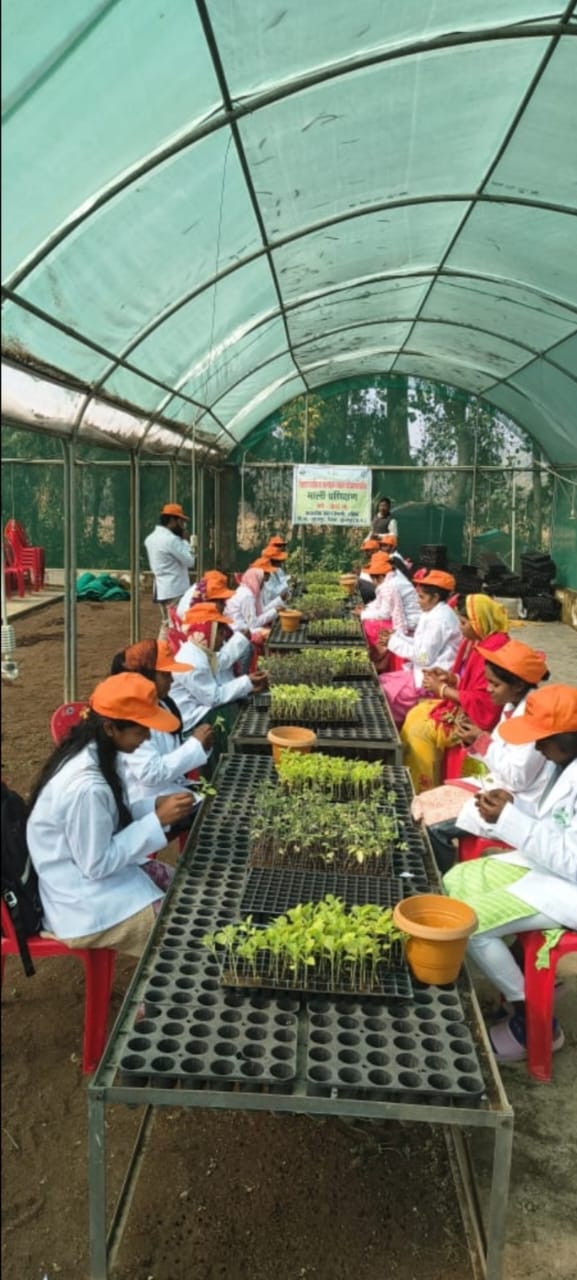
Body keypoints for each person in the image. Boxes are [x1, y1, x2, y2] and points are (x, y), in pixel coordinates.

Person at [443, 684, 577, 1063]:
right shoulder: (562, 764)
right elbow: (554, 823)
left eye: (542, 740)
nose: (536, 748)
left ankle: (534, 1019)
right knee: (456, 880)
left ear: (567, 738)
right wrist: (513, 807)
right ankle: (519, 978)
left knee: (470, 923)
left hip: (568, 886)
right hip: (549, 866)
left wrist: (510, 820)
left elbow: (571, 859)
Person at [26, 674, 195, 957]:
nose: (147, 737)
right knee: (183, 932)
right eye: (140, 730)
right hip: (81, 904)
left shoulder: (100, 753)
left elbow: (110, 816)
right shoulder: (86, 788)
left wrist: (153, 806)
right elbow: (97, 863)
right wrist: (157, 821)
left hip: (96, 879)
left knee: (184, 888)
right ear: (110, 727)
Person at [412, 640, 551, 871]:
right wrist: (474, 742)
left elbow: (518, 778)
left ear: (517, 686)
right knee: (421, 802)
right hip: (498, 786)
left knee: (433, 827)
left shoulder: (532, 719)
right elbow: (498, 755)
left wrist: (482, 742)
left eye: (495, 684)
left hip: (516, 801)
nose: (488, 689)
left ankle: (439, 877)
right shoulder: (511, 707)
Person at [400, 594, 510, 790]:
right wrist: (451, 678)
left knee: (419, 730)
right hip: (463, 706)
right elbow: (474, 684)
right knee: (416, 713)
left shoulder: (492, 651)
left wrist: (442, 689)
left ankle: (423, 788)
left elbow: (485, 701)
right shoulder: (480, 642)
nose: (460, 627)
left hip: (475, 718)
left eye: (464, 623)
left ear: (479, 623)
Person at [109, 640, 214, 808]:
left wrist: (200, 745)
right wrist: (195, 746)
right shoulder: (132, 719)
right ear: (146, 677)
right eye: (165, 675)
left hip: (171, 788)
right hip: (147, 801)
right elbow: (149, 772)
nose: (172, 679)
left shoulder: (164, 703)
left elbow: (169, 750)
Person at [376, 570, 461, 728]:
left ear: (435, 597)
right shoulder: (432, 611)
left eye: (421, 597)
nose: (417, 601)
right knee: (380, 680)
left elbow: (424, 657)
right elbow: (419, 643)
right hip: (419, 671)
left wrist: (393, 643)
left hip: (427, 680)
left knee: (382, 696)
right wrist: (396, 636)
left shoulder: (439, 620)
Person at [170, 601, 268, 734]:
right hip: (192, 719)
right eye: (220, 634)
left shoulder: (199, 650)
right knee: (232, 716)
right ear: (207, 633)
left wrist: (247, 685)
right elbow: (214, 698)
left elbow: (221, 662)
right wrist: (247, 682)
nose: (223, 639)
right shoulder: (192, 662)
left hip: (201, 705)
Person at [144, 504, 195, 635]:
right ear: (172, 520)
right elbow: (190, 561)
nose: (182, 526)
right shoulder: (171, 540)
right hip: (176, 589)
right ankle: (168, 648)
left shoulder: (150, 538)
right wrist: (185, 542)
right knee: (177, 626)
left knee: (167, 624)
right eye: (181, 522)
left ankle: (162, 647)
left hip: (162, 589)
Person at [360, 550, 420, 638]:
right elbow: (381, 602)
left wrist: (363, 614)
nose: (373, 583)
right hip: (414, 618)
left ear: (380, 577)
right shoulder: (394, 576)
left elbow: (385, 614)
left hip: (410, 623)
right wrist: (367, 608)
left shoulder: (389, 586)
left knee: (369, 624)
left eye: (373, 579)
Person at [224, 566, 283, 636]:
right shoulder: (247, 596)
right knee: (272, 633)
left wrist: (277, 605)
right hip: (239, 631)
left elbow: (260, 612)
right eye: (261, 581)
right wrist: (275, 611)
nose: (263, 585)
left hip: (244, 627)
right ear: (256, 580)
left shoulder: (247, 590)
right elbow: (253, 624)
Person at [261, 543, 291, 608]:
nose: (281, 562)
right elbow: (271, 594)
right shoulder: (266, 574)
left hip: (278, 605)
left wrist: (289, 579)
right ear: (272, 560)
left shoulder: (276, 570)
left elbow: (280, 582)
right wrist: (287, 583)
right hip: (270, 607)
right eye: (279, 560)